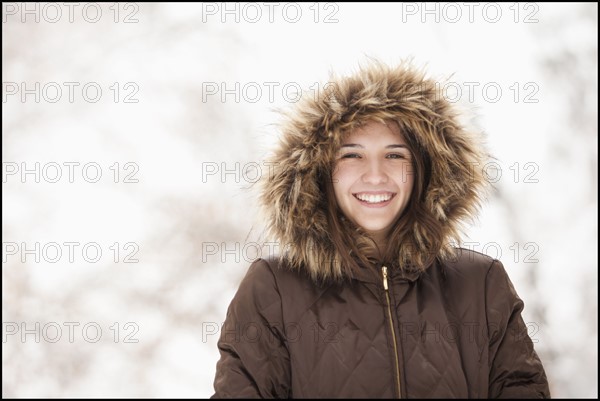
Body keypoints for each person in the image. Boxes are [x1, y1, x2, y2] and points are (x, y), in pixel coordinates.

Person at [211, 60, 551, 398]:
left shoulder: (480, 284)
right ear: (321, 172)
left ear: (423, 168)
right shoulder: (274, 289)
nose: (375, 175)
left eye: (394, 155)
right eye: (351, 156)